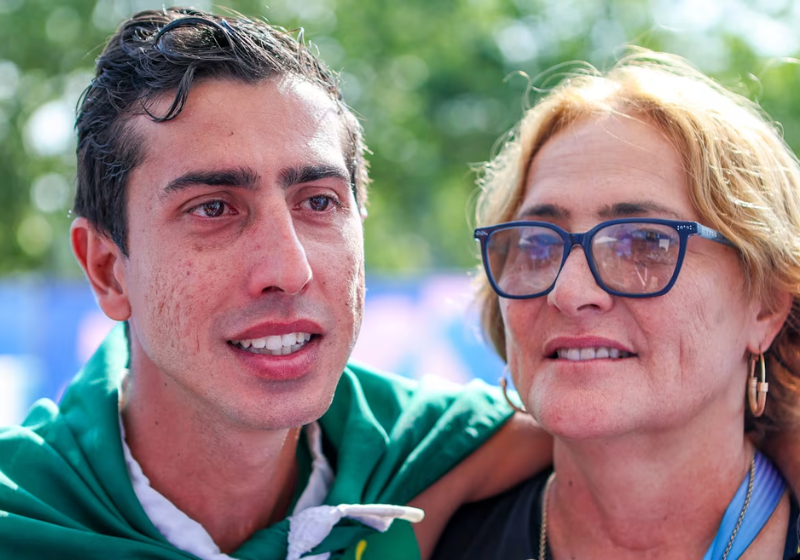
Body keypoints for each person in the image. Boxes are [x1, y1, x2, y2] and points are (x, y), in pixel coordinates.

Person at [0, 8, 554, 560]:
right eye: (213, 208)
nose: (290, 270)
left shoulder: (424, 454)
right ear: (106, 269)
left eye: (318, 202)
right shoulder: (22, 519)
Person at [432, 49, 800, 559]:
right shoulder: (429, 534)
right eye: (539, 244)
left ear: (766, 307)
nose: (570, 292)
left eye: (645, 242)